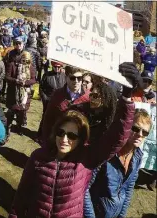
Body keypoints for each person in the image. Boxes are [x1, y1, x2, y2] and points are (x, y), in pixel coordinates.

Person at [9, 62, 140, 218]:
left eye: (72, 135)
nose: (64, 139)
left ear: (81, 139)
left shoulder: (86, 161)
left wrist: (126, 97)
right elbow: (21, 198)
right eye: (60, 132)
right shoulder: (38, 158)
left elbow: (116, 138)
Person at [85, 109, 152, 218]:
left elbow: (128, 190)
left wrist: (121, 216)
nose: (140, 134)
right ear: (127, 127)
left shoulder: (137, 157)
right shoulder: (106, 152)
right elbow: (85, 188)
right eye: (135, 128)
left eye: (145, 132)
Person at [41, 65, 90, 145]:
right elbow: (48, 120)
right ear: (66, 77)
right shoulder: (57, 94)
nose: (76, 81)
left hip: (78, 144)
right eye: (72, 78)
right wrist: (47, 141)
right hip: (59, 140)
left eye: (79, 78)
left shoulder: (88, 97)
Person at [5, 51, 36, 136]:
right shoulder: (12, 65)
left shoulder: (31, 68)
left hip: (25, 94)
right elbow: (7, 77)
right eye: (23, 59)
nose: (25, 61)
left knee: (21, 113)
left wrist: (25, 82)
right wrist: (16, 80)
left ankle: (19, 127)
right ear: (20, 58)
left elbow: (34, 79)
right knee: (11, 111)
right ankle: (8, 127)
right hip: (13, 93)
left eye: (27, 60)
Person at [37, 61, 66, 141]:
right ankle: (40, 135)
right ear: (52, 66)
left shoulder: (65, 76)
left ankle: (54, 136)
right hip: (48, 101)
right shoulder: (46, 75)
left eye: (59, 67)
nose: (57, 68)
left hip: (60, 102)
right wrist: (45, 99)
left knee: (58, 120)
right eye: (55, 67)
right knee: (45, 118)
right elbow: (41, 88)